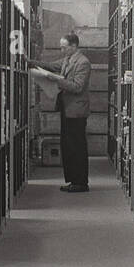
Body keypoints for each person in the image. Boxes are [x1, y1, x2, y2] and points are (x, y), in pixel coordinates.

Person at [32, 34, 92, 192]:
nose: (62, 49)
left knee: (77, 147)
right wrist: (29, 62)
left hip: (77, 111)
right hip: (67, 109)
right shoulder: (67, 60)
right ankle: (73, 181)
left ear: (74, 46)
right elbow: (50, 66)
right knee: (68, 146)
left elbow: (77, 87)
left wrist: (56, 80)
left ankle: (81, 183)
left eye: (64, 47)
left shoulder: (83, 62)